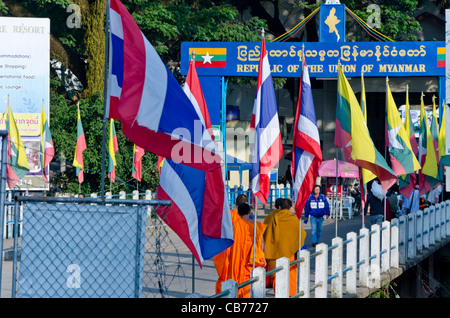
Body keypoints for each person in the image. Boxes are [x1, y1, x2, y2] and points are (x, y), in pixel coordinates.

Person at [213, 201, 266, 298]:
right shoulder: (256, 226)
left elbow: (223, 247)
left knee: (233, 284)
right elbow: (261, 246)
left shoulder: (232, 227)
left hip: (234, 262)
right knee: (246, 287)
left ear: (238, 213)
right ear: (249, 212)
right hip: (248, 264)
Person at [264, 198, 306, 297]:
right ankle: (291, 295)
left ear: (280, 207)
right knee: (290, 276)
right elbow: (302, 234)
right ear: (291, 208)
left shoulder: (274, 218)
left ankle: (279, 294)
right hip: (290, 254)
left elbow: (265, 235)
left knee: (277, 276)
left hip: (275, 253)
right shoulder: (293, 219)